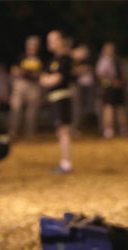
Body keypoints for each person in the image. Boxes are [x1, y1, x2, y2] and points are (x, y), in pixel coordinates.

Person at [40, 30, 73, 174]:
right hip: (55, 98)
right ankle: (64, 162)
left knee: (64, 131)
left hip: (62, 98)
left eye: (53, 40)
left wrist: (48, 79)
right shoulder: (54, 60)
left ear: (61, 41)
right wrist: (48, 79)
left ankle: (66, 163)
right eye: (49, 40)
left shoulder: (64, 59)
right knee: (60, 131)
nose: (49, 43)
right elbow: (44, 79)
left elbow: (55, 79)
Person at [8, 35, 44, 141]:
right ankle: (13, 132)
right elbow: (13, 69)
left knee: (32, 111)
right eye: (30, 46)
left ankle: (29, 133)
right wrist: (21, 72)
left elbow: (42, 72)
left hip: (34, 85)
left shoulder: (40, 59)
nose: (31, 48)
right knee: (16, 108)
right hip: (20, 84)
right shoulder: (21, 56)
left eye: (34, 46)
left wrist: (35, 74)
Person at [96, 41, 128, 139]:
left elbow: (100, 74)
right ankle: (123, 129)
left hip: (109, 87)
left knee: (109, 108)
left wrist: (111, 82)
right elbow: (125, 73)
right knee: (120, 108)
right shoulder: (119, 60)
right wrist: (120, 83)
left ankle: (109, 130)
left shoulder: (105, 60)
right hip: (118, 86)